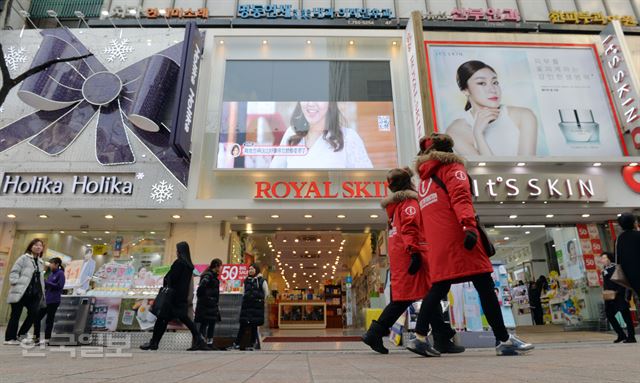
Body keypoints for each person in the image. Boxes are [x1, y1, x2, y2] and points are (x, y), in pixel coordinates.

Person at [411, 132, 534, 356]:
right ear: (448, 149)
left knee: (438, 287)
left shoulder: (423, 182)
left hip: (439, 243)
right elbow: (461, 198)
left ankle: (419, 336)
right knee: (485, 285)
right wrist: (468, 226)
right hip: (460, 237)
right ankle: (503, 340)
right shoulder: (453, 169)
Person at [362, 167, 458, 356]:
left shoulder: (396, 206)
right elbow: (410, 227)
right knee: (420, 296)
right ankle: (376, 333)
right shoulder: (409, 202)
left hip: (402, 254)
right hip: (413, 254)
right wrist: (414, 252)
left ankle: (441, 337)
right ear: (409, 182)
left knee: (424, 295)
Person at [445, 60, 537, 156]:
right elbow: (483, 170)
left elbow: (528, 166)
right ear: (465, 90)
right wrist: (478, 134)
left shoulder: (524, 115)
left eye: (495, 82)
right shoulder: (456, 131)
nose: (493, 89)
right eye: (481, 83)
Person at [140, 242, 208, 351]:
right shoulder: (189, 265)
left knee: (162, 319)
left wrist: (167, 278)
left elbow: (171, 278)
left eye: (177, 250)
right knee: (182, 319)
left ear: (180, 251)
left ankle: (154, 343)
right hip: (181, 298)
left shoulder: (179, 263)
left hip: (172, 298)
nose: (176, 252)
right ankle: (199, 340)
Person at [269, 101, 373, 169]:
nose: (311, 103)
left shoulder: (349, 138)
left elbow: (369, 185)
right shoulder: (291, 133)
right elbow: (271, 179)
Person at [4, 239, 46, 345]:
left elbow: (40, 279)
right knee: (15, 315)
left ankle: (21, 335)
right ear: (31, 247)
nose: (38, 247)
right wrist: (16, 282)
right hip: (21, 291)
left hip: (34, 294)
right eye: (36, 245)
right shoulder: (24, 258)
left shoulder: (41, 262)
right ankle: (10, 338)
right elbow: (15, 271)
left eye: (40, 245)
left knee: (34, 313)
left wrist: (42, 292)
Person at [229, 263, 268, 350]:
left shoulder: (262, 280)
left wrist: (259, 301)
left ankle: (252, 344)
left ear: (256, 270)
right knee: (243, 325)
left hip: (256, 307)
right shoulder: (246, 280)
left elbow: (266, 293)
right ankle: (237, 344)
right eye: (249, 269)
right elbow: (243, 292)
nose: (250, 270)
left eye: (252, 269)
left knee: (254, 326)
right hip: (246, 306)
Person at [600, 251, 635, 343]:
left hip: (620, 296)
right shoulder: (604, 270)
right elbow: (606, 284)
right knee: (609, 314)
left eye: (604, 258)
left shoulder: (617, 268)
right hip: (610, 297)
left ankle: (631, 337)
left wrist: (620, 293)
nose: (602, 260)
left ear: (609, 259)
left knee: (626, 316)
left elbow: (622, 282)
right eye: (602, 258)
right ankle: (621, 334)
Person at [35, 257, 66, 345]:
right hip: (46, 300)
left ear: (56, 264)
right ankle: (36, 337)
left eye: (51, 263)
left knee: (49, 319)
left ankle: (47, 339)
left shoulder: (60, 274)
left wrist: (47, 282)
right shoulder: (51, 274)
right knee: (36, 318)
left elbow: (60, 286)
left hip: (54, 300)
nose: (50, 265)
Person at [195, 258, 222, 350]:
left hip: (212, 304)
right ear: (216, 266)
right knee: (205, 323)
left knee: (211, 323)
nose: (221, 268)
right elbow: (201, 287)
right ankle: (202, 343)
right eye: (220, 266)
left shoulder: (213, 276)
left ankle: (209, 343)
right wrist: (207, 298)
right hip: (207, 304)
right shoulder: (208, 275)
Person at [616, 213, 640, 299]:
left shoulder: (620, 239)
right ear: (634, 223)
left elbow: (617, 260)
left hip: (632, 280)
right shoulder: (638, 235)